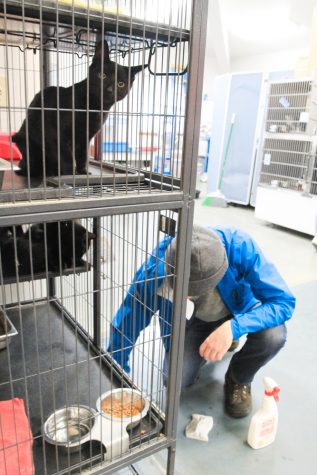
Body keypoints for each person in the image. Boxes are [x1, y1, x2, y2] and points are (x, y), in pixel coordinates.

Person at [107, 225, 296, 418]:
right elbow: (129, 318)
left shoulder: (240, 246)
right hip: (197, 321)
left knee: (274, 336)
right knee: (175, 378)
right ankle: (213, 341)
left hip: (239, 310)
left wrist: (233, 327)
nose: (187, 296)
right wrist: (114, 372)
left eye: (194, 291)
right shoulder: (158, 267)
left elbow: (283, 302)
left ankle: (238, 379)